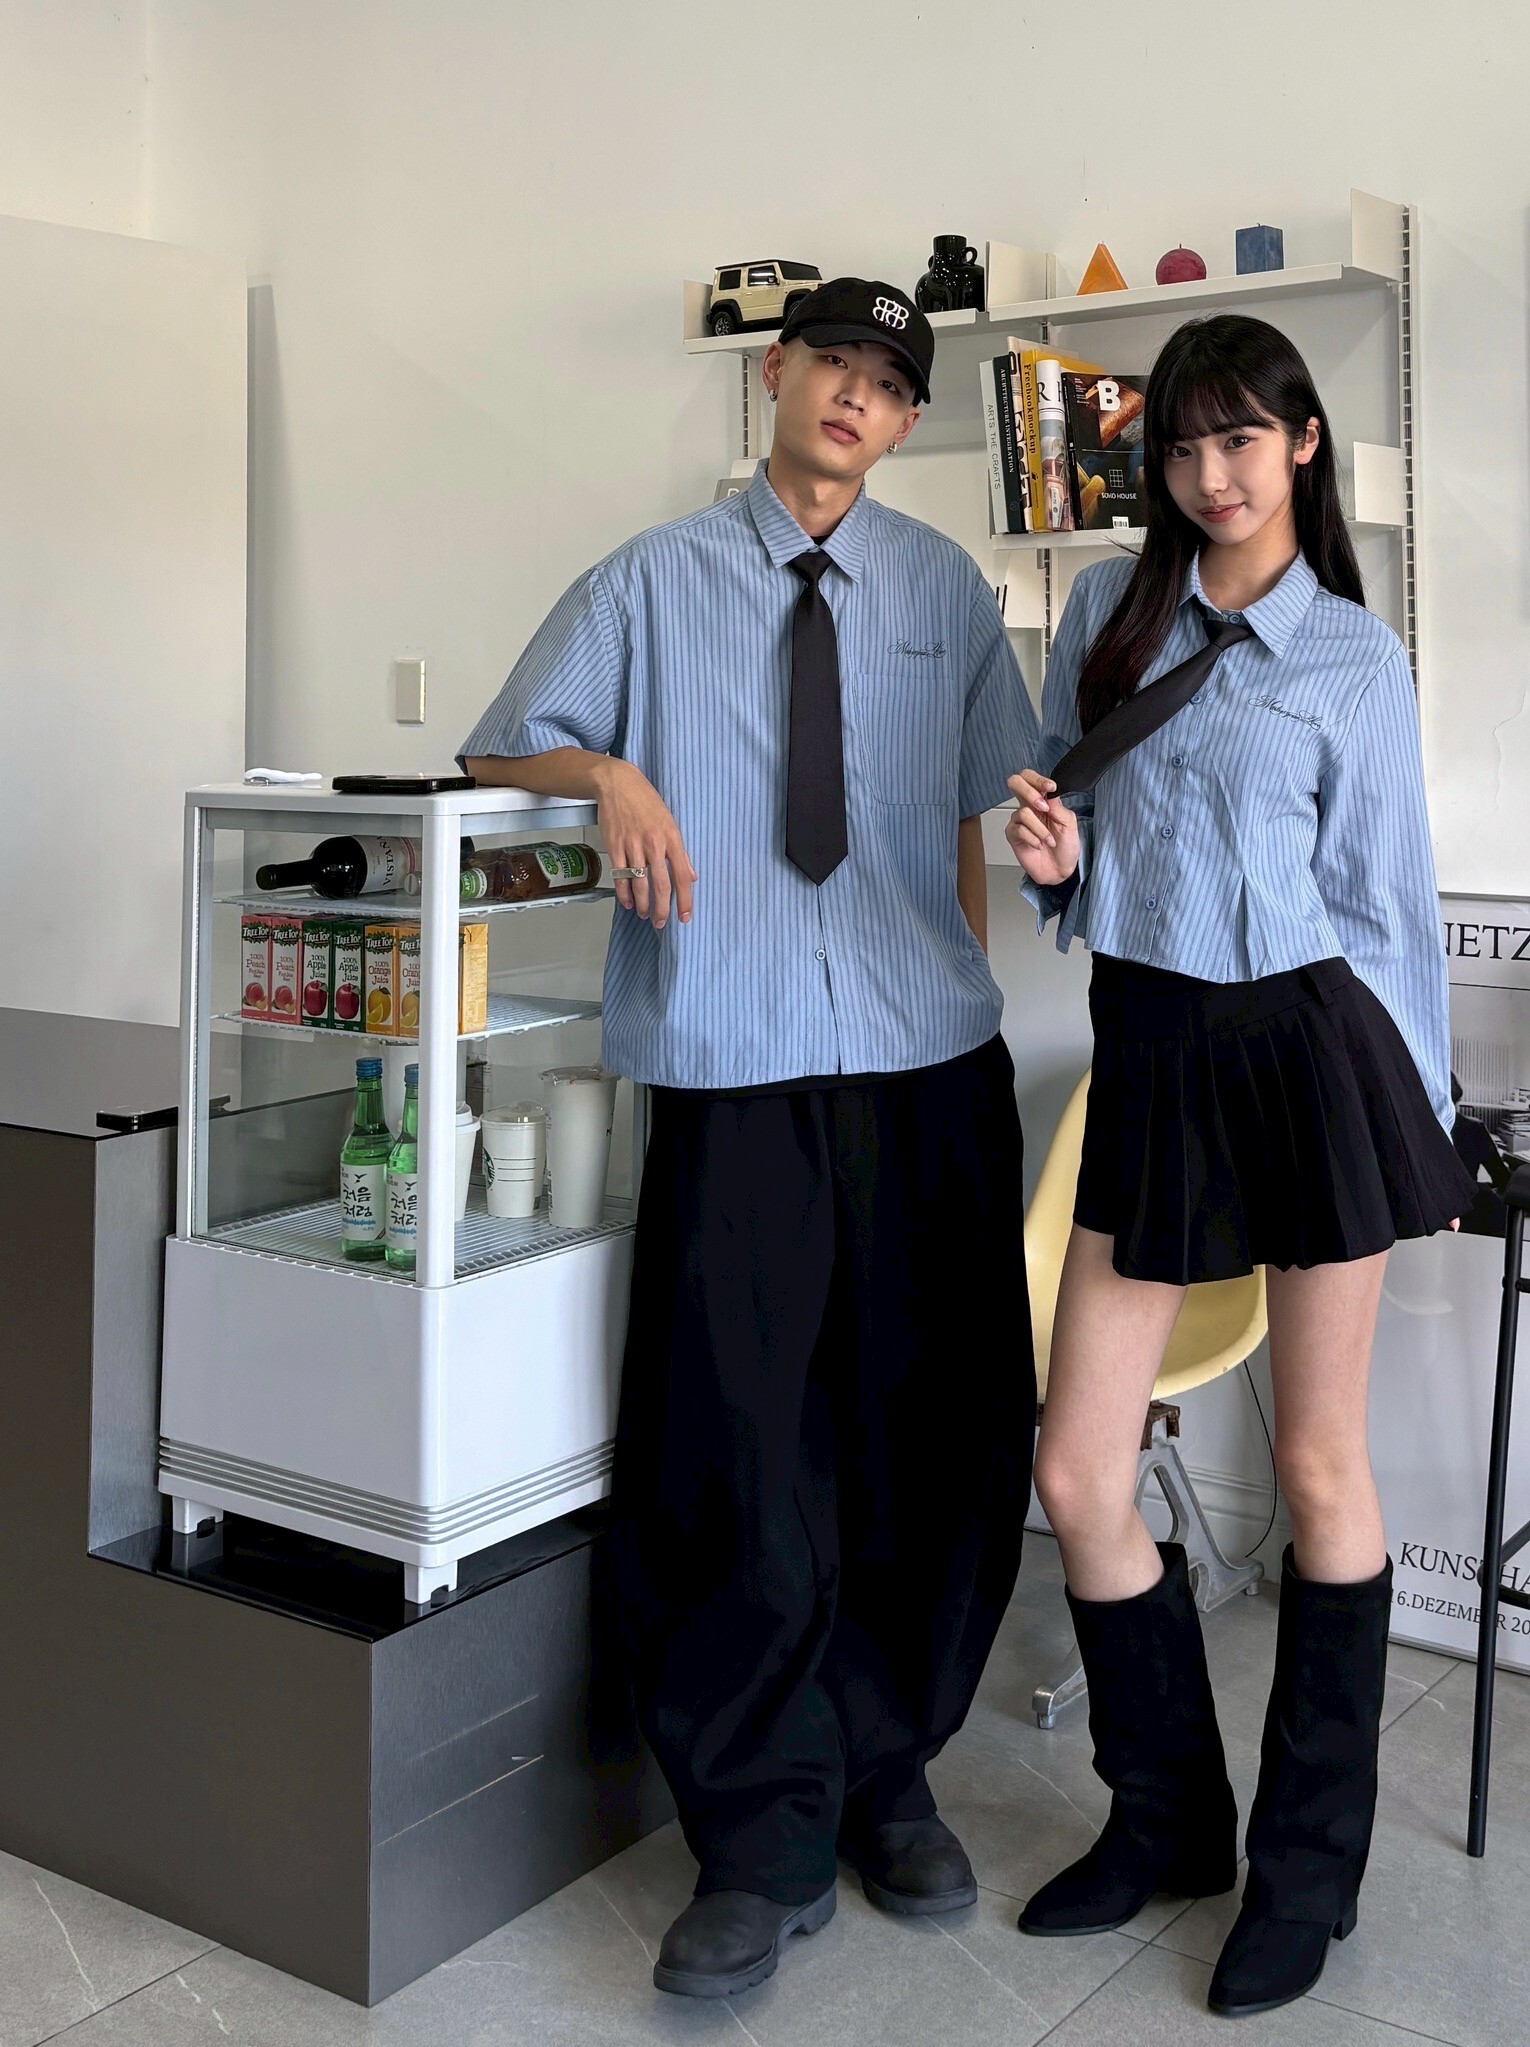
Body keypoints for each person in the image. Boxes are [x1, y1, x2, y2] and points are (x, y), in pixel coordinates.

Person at [459, 277, 1041, 2001]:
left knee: (927, 1435)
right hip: (734, 1067)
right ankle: (759, 1831)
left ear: (908, 419)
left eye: (887, 383)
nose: (854, 397)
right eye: (831, 365)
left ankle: (887, 1773)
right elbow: (501, 747)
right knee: (732, 1446)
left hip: (927, 1065)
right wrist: (610, 780)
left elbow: (977, 814)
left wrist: (955, 991)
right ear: (775, 374)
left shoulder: (944, 589)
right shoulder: (647, 582)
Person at [1003, 313, 1474, 2018]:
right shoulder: (1107, 621)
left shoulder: (1355, 657)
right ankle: (1169, 1821)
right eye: (1185, 450)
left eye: (1241, 441)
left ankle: (1306, 1872)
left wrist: (1410, 1124)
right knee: (1079, 1469)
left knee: (1317, 1464)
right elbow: (1075, 857)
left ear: (1303, 444)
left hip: (1310, 1052)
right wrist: (1051, 857)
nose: (1213, 477)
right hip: (1151, 1047)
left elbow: (1389, 909)